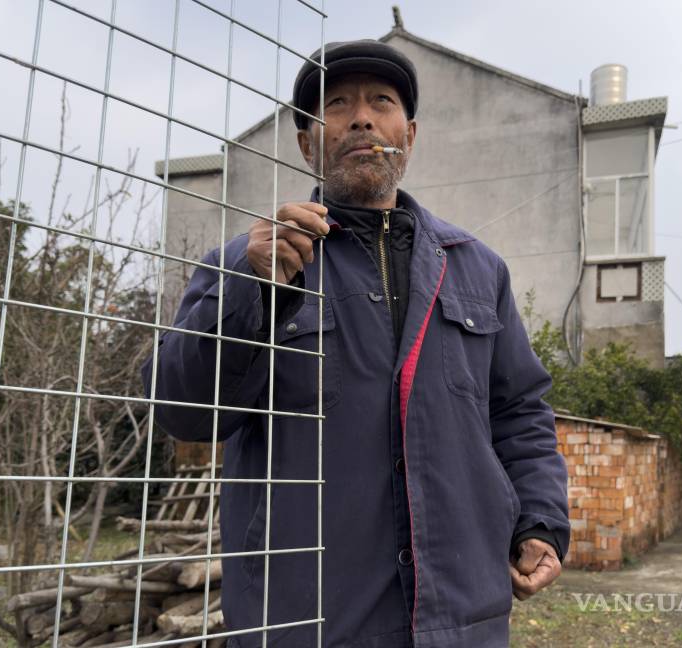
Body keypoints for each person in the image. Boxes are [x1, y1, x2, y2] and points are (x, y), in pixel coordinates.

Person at [143, 39, 570, 648]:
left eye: (381, 101)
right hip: (305, 621)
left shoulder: (477, 269)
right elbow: (182, 410)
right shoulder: (248, 263)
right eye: (337, 104)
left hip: (461, 619)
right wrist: (250, 287)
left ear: (410, 133)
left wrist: (541, 520)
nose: (361, 117)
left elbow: (521, 413)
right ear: (308, 142)